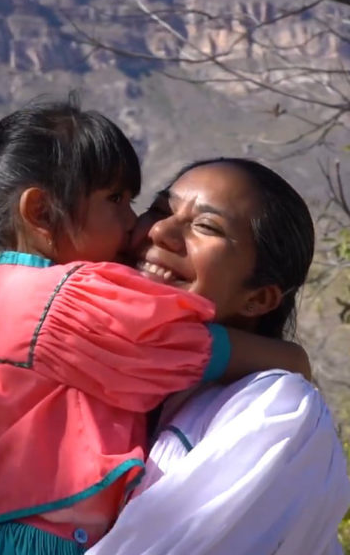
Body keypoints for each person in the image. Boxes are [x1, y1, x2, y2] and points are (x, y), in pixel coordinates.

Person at [0, 101, 309, 555]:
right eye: (116, 201)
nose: (141, 227)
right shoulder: (66, 297)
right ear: (42, 213)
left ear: (262, 296)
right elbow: (168, 343)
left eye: (204, 226)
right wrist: (290, 358)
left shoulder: (18, 291)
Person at [87, 158, 350, 555]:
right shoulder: (98, 382)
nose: (160, 231)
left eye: (206, 227)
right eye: (159, 210)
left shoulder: (276, 410)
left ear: (258, 298)